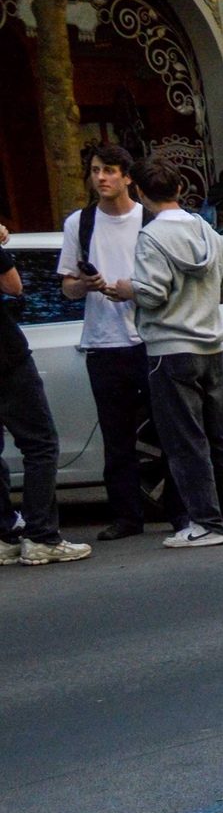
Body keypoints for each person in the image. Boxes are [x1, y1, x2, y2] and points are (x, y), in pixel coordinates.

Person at [128, 160, 223, 549]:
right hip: (212, 345)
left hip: (170, 348)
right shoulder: (205, 228)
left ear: (139, 193)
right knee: (220, 437)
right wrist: (205, 301)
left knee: (185, 439)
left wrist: (128, 288)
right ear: (180, 190)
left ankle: (205, 523)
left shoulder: (151, 237)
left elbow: (152, 293)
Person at [56, 145, 157, 541]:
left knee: (167, 432)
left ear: (128, 177)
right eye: (96, 170)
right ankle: (127, 517)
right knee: (117, 439)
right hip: (102, 343)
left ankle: (183, 512)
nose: (101, 178)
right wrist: (85, 284)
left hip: (150, 340)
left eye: (110, 171)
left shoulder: (150, 220)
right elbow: (67, 289)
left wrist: (133, 292)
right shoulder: (79, 223)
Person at [0, 223, 88, 565]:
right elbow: (13, 285)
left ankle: (5, 532)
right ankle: (40, 535)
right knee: (40, 444)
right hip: (6, 360)